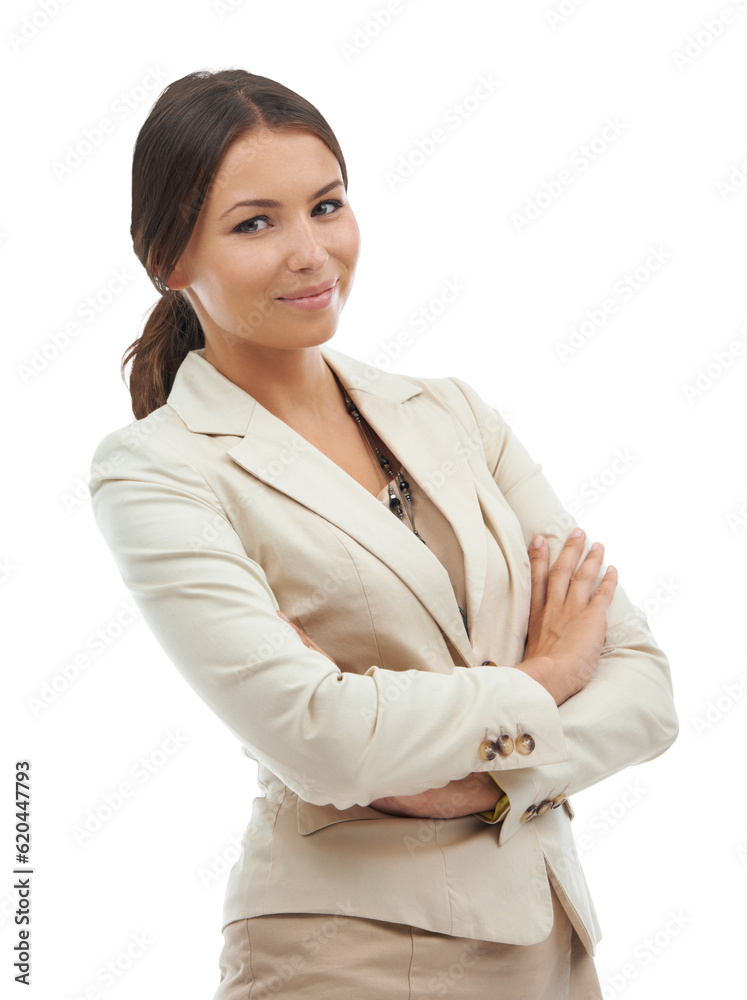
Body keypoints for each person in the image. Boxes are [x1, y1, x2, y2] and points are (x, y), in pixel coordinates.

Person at [88, 68, 679, 999]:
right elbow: (322, 739)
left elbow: (644, 685)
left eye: (325, 205)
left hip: (550, 941)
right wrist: (547, 677)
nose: (310, 252)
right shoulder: (157, 470)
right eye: (255, 223)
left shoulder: (452, 414)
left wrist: (483, 782)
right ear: (169, 260)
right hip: (345, 951)